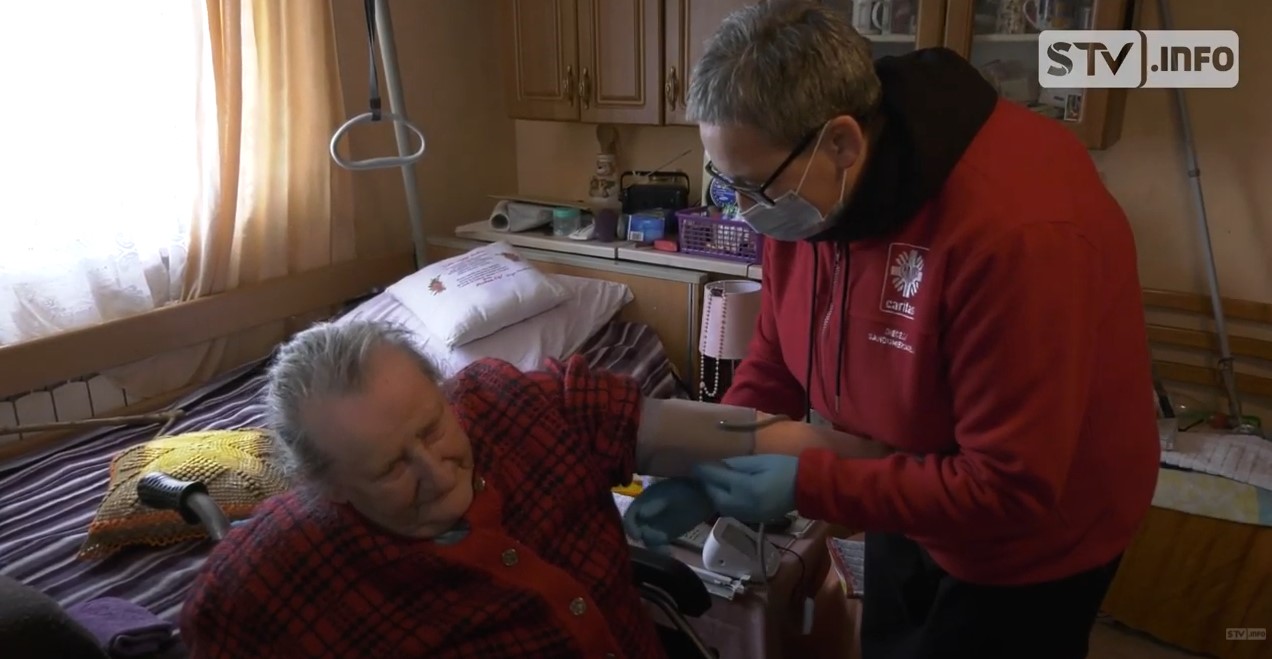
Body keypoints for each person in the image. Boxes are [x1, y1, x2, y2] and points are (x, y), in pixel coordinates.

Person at [650, 2, 1161, 658]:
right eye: (729, 186)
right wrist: (708, 458)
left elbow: (1009, 487)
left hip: (1031, 537)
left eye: (756, 189)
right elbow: (777, 353)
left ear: (843, 142)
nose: (745, 212)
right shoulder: (808, 189)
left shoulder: (1020, 235)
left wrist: (811, 482)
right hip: (906, 474)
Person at [179, 319, 868, 658]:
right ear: (328, 486)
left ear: (446, 392)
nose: (436, 471)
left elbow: (730, 433)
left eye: (433, 427)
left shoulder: (516, 405)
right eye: (390, 468)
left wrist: (876, 467)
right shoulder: (268, 583)